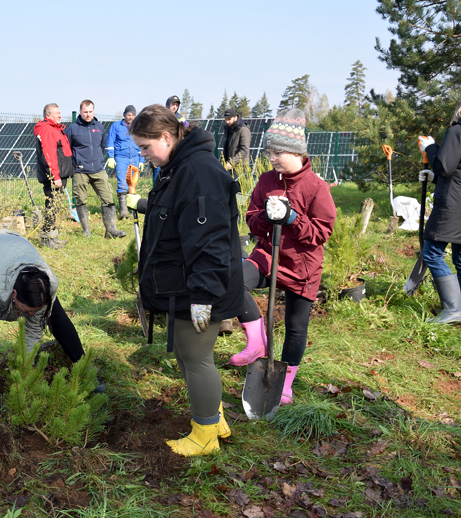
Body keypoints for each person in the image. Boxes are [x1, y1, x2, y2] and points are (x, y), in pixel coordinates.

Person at [126, 104, 243, 457]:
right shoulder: (178, 167)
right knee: (187, 352)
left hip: (200, 290)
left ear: (166, 137)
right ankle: (216, 418)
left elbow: (210, 243)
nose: (144, 155)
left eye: (146, 147)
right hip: (184, 286)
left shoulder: (197, 173)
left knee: (195, 357)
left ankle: (204, 433)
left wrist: (203, 298)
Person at [227, 108, 336, 406]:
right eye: (269, 151)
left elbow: (321, 233)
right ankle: (257, 341)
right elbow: (251, 220)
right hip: (267, 255)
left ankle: (284, 382)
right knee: (233, 278)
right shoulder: (266, 181)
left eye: (276, 152)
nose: (271, 157)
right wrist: (266, 215)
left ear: (295, 152)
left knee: (296, 326)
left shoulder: (317, 187)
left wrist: (292, 218)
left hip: (303, 266)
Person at [0, 229, 105, 405]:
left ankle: (85, 370)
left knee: (56, 315)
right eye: (27, 309)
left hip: (12, 244)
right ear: (14, 294)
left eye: (34, 310)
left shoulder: (45, 285)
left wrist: (25, 370)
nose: (30, 314)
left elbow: (34, 331)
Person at [417, 100, 461, 324]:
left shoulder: (456, 131)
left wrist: (430, 148)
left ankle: (453, 309)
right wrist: (434, 178)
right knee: (460, 257)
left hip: (453, 205)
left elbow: (445, 167)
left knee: (432, 252)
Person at [65, 99, 125, 239]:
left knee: (108, 198)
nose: (88, 114)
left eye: (90, 111)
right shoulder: (72, 129)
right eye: (85, 112)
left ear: (93, 111)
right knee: (81, 200)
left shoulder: (99, 127)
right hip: (80, 171)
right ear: (80, 112)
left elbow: (102, 144)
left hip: (98, 169)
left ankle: (111, 230)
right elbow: (66, 149)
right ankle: (86, 231)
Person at [34, 103, 73, 249]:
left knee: (54, 207)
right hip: (54, 176)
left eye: (60, 112)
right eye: (56, 113)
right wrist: (55, 176)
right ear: (48, 115)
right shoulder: (48, 130)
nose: (60, 115)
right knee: (52, 207)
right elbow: (49, 155)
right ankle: (48, 239)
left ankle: (50, 237)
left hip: (59, 174)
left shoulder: (54, 129)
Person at [106, 105, 145, 219]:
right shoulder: (116, 126)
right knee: (122, 183)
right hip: (121, 158)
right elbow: (110, 141)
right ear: (124, 115)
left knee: (133, 183)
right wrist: (111, 157)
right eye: (128, 115)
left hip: (134, 158)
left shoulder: (137, 127)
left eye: (133, 115)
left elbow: (141, 144)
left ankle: (131, 207)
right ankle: (124, 211)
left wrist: (141, 160)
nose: (131, 117)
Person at [222, 108, 251, 179]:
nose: (227, 121)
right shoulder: (229, 130)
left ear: (236, 118)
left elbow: (244, 150)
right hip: (229, 166)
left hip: (240, 166)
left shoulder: (243, 130)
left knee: (239, 188)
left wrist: (232, 162)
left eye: (229, 119)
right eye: (226, 119)